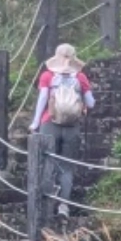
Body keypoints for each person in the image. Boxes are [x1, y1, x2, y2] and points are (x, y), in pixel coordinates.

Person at [30, 43, 97, 217]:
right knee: (67, 168)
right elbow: (91, 103)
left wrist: (35, 123)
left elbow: (43, 99)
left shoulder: (47, 75)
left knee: (47, 162)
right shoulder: (81, 77)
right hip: (72, 126)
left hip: (49, 123)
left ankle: (44, 205)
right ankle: (63, 206)